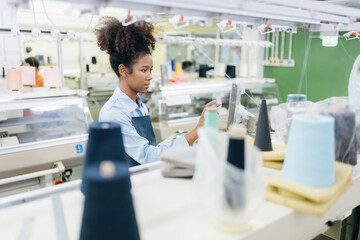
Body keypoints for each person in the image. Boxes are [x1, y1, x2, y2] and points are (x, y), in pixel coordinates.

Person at [96, 16, 219, 166]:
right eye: (144, 70)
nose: (149, 77)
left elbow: (148, 148)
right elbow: (148, 156)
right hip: (127, 183)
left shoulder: (139, 105)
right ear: (123, 70)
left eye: (151, 70)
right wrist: (197, 131)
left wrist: (175, 143)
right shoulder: (114, 113)